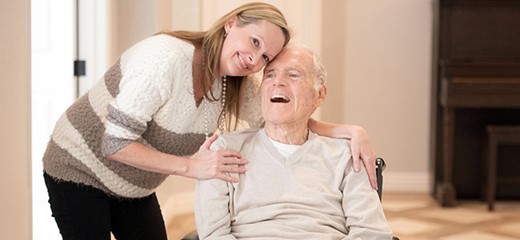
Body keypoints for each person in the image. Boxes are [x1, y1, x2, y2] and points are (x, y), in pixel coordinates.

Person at [42, 2, 376, 240]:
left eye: (265, 58)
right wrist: (192, 166)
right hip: (79, 169)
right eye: (255, 42)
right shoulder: (164, 58)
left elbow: (282, 115)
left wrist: (349, 131)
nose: (254, 59)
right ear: (232, 22)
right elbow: (113, 142)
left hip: (134, 183)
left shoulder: (233, 79)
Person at [195, 44, 393, 239]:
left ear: (319, 94)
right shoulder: (224, 150)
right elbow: (214, 234)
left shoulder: (347, 156)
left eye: (293, 75)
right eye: (270, 74)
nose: (278, 82)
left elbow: (371, 233)